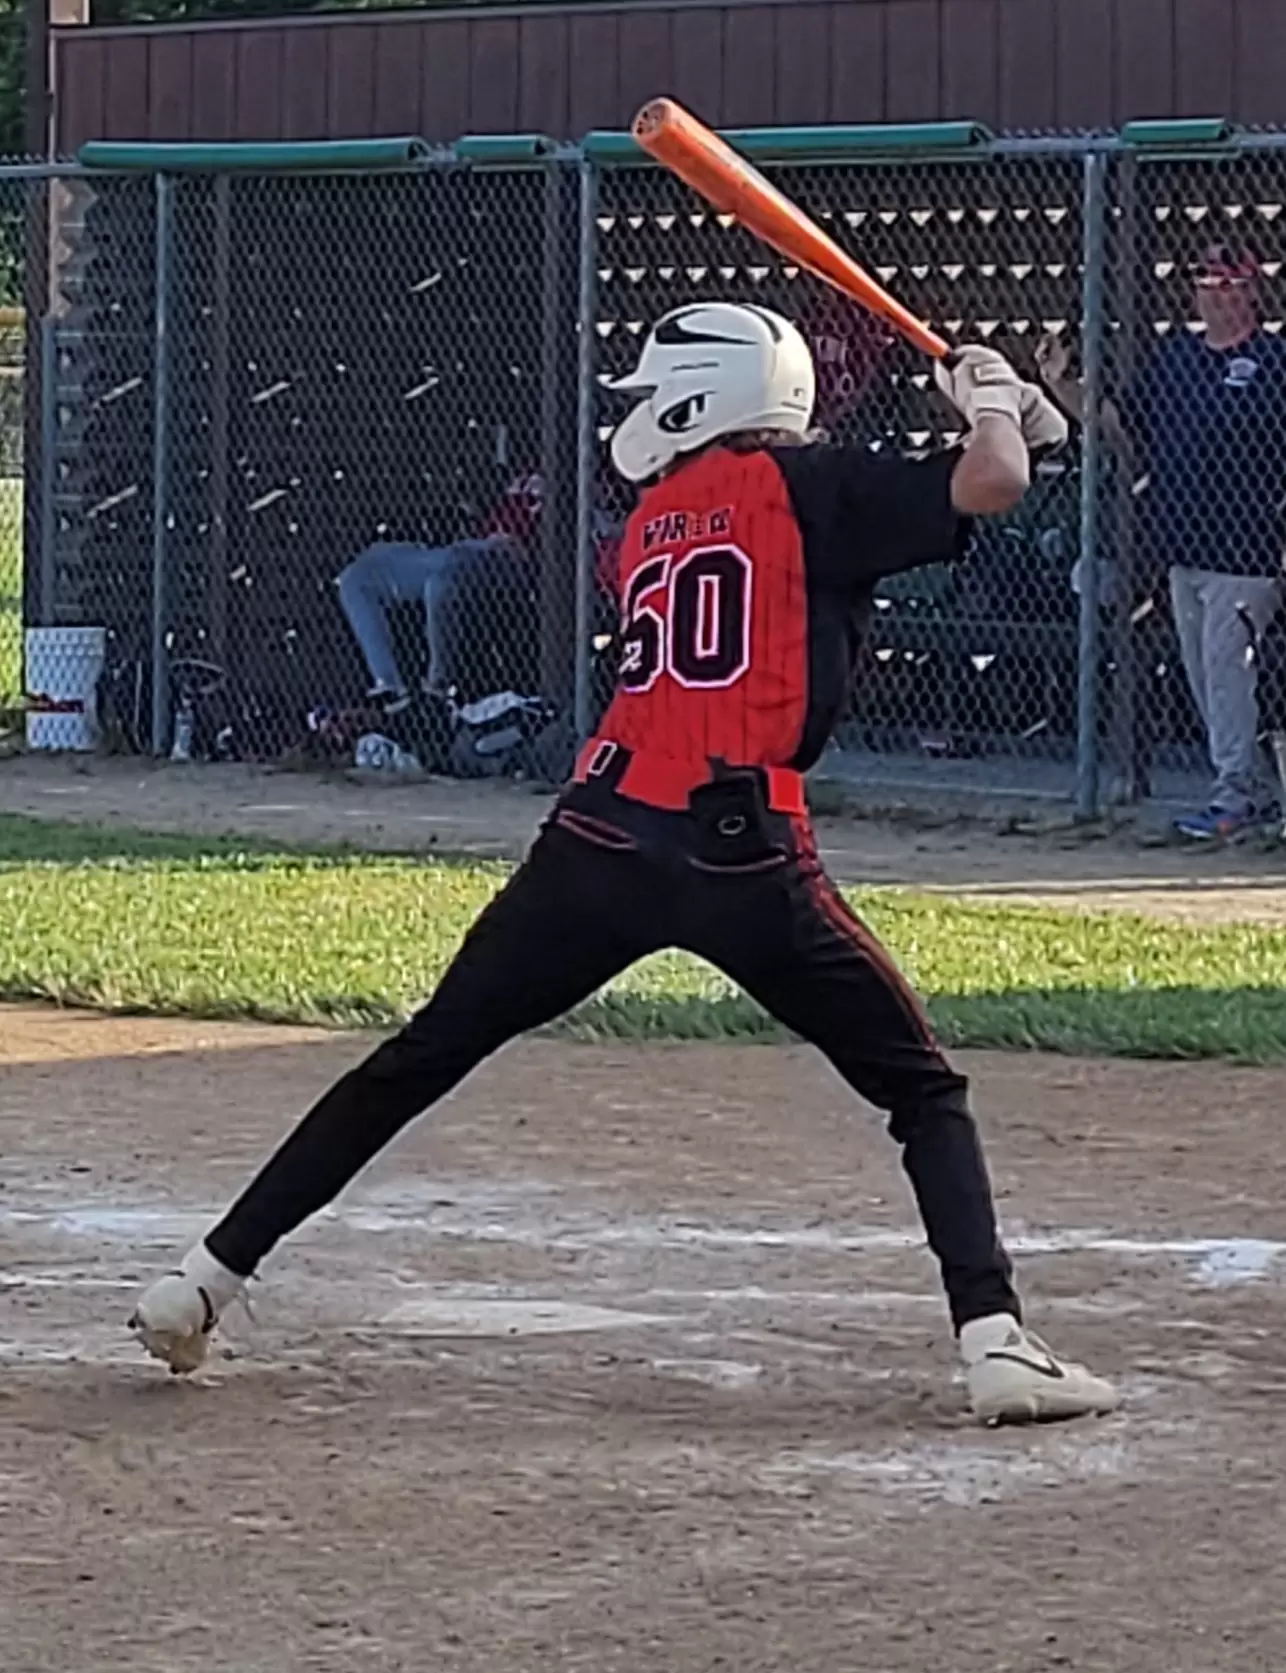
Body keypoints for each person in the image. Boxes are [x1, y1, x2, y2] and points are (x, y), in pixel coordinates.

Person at [129, 303, 1118, 1427]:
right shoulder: (811, 487)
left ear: (703, 401)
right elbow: (988, 482)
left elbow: (971, 480)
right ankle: (994, 1339)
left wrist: (1014, 425)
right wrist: (990, 404)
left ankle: (200, 1281)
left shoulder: (656, 515)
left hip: (593, 838)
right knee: (923, 1090)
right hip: (741, 852)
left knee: (422, 1055)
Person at [1038, 241, 1286, 841]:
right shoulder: (1177, 358)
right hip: (1183, 549)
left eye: (1230, 286)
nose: (1217, 297)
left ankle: (1236, 794)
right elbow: (1121, 427)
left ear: (1252, 292)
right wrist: (1061, 384)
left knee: (1228, 670)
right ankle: (1248, 785)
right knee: (1204, 676)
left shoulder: (1274, 361)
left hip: (1249, 550)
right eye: (1207, 285)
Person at [335, 471, 544, 713]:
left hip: (504, 555)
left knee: (442, 579)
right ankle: (389, 686)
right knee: (356, 577)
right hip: (451, 551)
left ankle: (436, 690)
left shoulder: (546, 475)